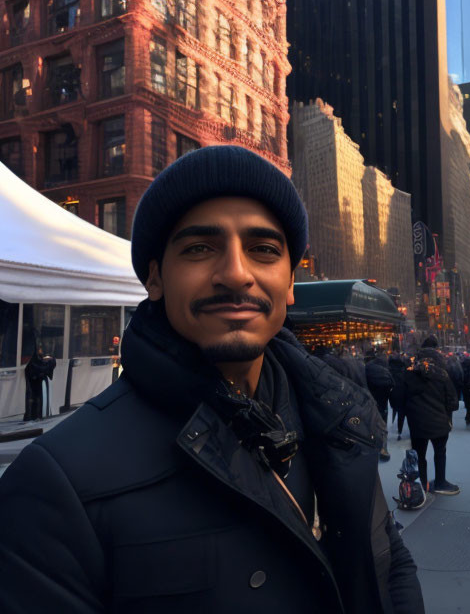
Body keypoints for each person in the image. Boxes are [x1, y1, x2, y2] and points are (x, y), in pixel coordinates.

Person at [0, 146, 424, 613]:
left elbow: (390, 565)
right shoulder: (56, 483)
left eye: (263, 249)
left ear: (288, 284)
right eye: (200, 248)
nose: (236, 274)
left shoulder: (339, 419)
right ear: (155, 279)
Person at [392, 336, 460, 495]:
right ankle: (440, 482)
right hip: (440, 423)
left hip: (417, 424)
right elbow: (453, 403)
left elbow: (397, 400)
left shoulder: (408, 374)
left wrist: (410, 410)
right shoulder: (442, 375)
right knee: (440, 452)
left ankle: (422, 484)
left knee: (419, 455)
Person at [364, 347, 395, 461]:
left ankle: (372, 445)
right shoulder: (384, 368)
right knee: (382, 422)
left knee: (371, 422)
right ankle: (383, 448)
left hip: (371, 399)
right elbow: (392, 383)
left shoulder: (366, 368)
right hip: (383, 398)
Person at [23, 343, 56, 421]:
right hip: (33, 380)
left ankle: (36, 415)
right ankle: (34, 415)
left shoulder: (37, 360)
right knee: (34, 398)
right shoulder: (33, 361)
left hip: (35, 380)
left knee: (36, 398)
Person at [388, 352, 409, 439]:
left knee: (394, 410)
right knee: (402, 413)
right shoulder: (404, 371)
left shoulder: (389, 371)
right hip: (403, 394)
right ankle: (399, 430)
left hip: (393, 394)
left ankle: (394, 428)